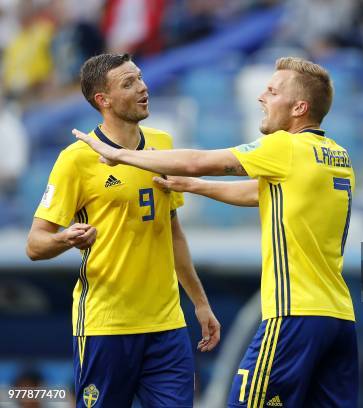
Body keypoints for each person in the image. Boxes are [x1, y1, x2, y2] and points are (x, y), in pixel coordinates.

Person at [73, 56, 358, 408]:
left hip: (293, 313)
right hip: (340, 317)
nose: (261, 97)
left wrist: (120, 155)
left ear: (299, 107)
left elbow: (200, 159)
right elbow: (261, 193)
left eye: (272, 90)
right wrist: (195, 187)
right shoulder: (337, 156)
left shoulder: (286, 147)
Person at [25, 53, 220, 408]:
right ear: (104, 100)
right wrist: (65, 239)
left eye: (140, 78)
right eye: (128, 83)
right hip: (106, 325)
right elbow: (35, 245)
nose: (143, 87)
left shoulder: (162, 143)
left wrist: (201, 304)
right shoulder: (76, 159)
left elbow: (172, 230)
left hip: (166, 325)